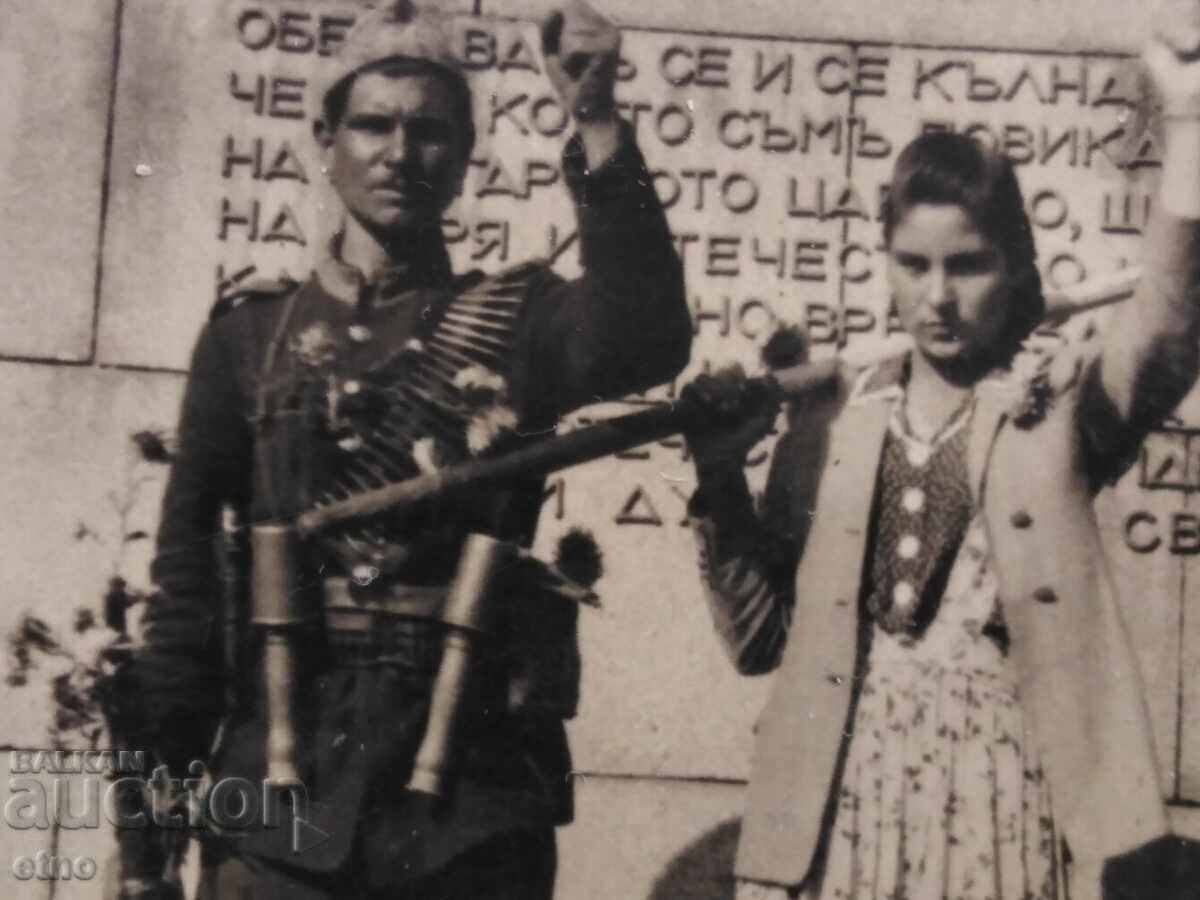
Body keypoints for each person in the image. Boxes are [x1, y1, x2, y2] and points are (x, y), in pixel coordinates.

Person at [111, 1, 690, 898]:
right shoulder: (249, 338)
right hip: (278, 803)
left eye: (430, 132)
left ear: (463, 158)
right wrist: (146, 835)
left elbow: (646, 333)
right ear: (325, 138)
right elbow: (186, 590)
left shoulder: (518, 322)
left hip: (464, 809)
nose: (399, 151)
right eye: (372, 124)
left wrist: (595, 116)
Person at [682, 7, 1200, 900]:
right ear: (885, 261)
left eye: (969, 265)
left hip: (998, 793)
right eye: (913, 265)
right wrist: (721, 473)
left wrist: (1191, 123)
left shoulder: (1056, 407)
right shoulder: (834, 419)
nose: (939, 298)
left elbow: (1164, 333)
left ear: (1015, 267)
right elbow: (759, 641)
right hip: (840, 797)